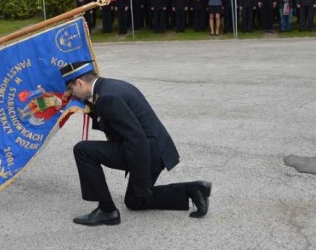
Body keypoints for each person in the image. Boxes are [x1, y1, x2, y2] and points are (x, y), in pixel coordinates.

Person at [60, 61, 212, 226]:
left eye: (71, 88)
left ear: (80, 83)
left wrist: (141, 180)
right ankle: (193, 190)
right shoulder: (111, 86)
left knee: (82, 150)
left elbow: (135, 139)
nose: (72, 94)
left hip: (146, 151)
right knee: (134, 201)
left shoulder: (107, 98)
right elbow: (110, 118)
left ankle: (106, 210)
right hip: (156, 148)